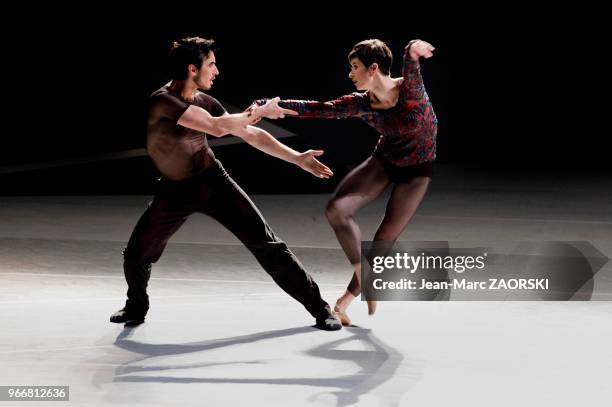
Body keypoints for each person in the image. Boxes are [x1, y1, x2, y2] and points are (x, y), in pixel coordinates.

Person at [110, 36, 341, 331]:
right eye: (211, 64)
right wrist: (257, 113)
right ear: (193, 69)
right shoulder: (163, 101)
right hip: (174, 189)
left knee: (268, 244)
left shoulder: (206, 101)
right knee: (137, 253)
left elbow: (250, 134)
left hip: (212, 181)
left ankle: (320, 310)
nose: (216, 71)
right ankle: (135, 307)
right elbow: (218, 128)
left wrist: (297, 158)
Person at [264, 39, 437, 325]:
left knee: (383, 241)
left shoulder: (409, 89)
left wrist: (413, 49)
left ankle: (345, 300)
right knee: (337, 210)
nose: (350, 74)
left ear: (373, 68)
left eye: (355, 67)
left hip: (417, 170)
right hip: (385, 159)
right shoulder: (361, 103)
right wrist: (270, 106)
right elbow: (320, 109)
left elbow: (412, 64)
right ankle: (367, 278)